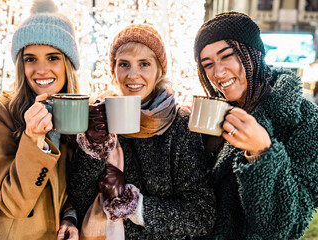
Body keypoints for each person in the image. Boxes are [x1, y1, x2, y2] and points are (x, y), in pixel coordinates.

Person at [67, 24, 216, 239]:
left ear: (159, 71)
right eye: (124, 64)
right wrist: (94, 149)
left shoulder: (180, 124)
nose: (132, 75)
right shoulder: (98, 118)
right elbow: (80, 200)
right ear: (113, 70)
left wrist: (135, 206)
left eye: (144, 64)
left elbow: (202, 215)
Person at [0, 0, 80, 239]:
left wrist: (69, 218)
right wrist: (33, 138)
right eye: (30, 59)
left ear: (68, 64)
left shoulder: (71, 115)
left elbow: (62, 189)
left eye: (53, 57)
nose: (41, 70)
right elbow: (14, 204)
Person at [193, 11, 318, 239]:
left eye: (227, 55)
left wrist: (261, 153)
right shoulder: (215, 112)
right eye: (207, 64)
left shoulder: (305, 120)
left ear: (254, 53)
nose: (218, 72)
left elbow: (286, 227)